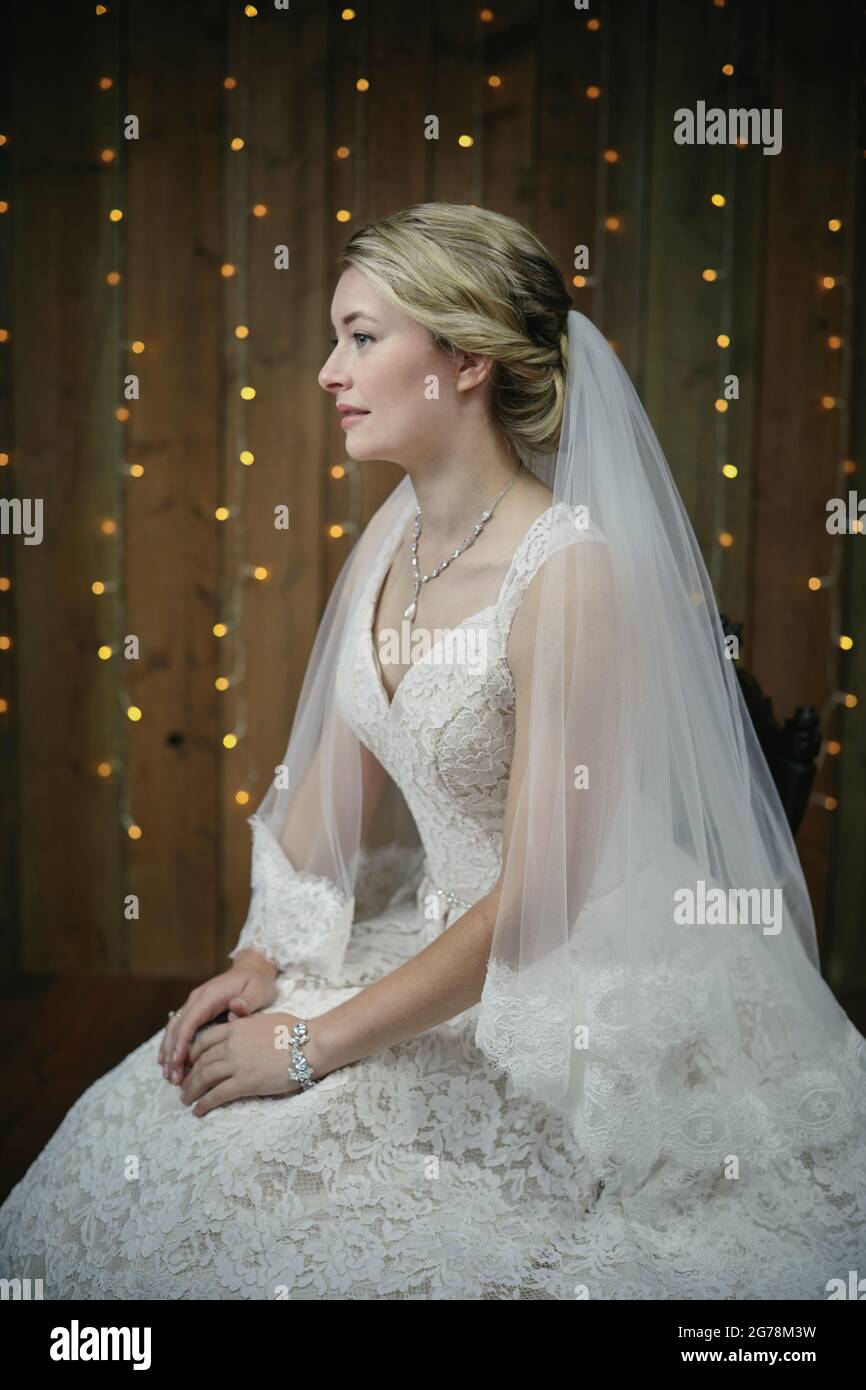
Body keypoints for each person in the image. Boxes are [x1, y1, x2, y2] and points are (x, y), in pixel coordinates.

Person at [1, 203, 864, 1300]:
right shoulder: (393, 535)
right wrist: (264, 959)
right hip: (434, 929)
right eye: (334, 337)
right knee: (151, 1137)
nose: (326, 370)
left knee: (306, 1202)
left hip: (562, 973)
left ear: (461, 358)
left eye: (361, 337)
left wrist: (310, 1045)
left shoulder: (567, 574)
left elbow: (536, 906)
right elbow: (325, 803)